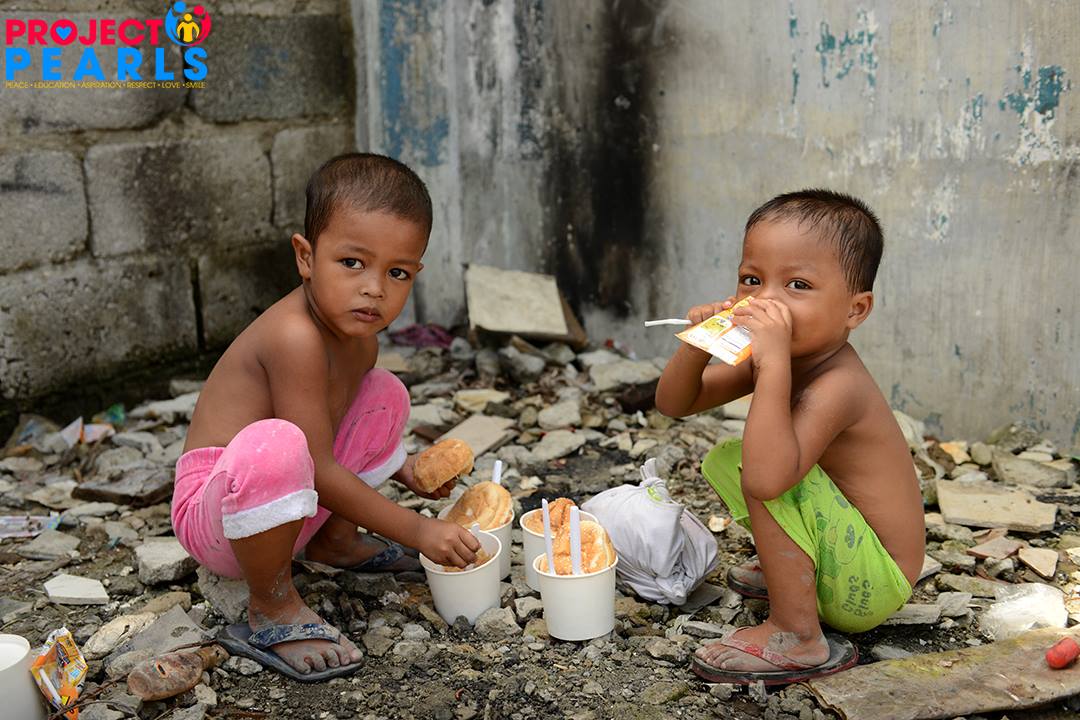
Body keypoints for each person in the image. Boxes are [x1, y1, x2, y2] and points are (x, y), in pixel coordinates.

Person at [172, 153, 480, 680]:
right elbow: (315, 462)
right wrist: (417, 529)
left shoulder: (362, 341)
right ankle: (271, 603)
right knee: (278, 442)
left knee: (384, 393)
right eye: (352, 263)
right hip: (221, 517)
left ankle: (334, 541)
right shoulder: (294, 337)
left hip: (290, 501)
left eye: (397, 272)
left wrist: (402, 469)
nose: (374, 288)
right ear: (306, 257)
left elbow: (333, 437)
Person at [655, 189, 925, 684]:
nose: (765, 300)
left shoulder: (838, 385)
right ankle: (796, 576)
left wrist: (773, 361)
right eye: (752, 280)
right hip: (845, 562)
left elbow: (766, 478)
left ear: (855, 309)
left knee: (763, 473)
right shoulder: (786, 354)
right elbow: (675, 403)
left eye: (797, 284)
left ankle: (797, 635)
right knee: (728, 457)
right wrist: (698, 346)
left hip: (873, 583)